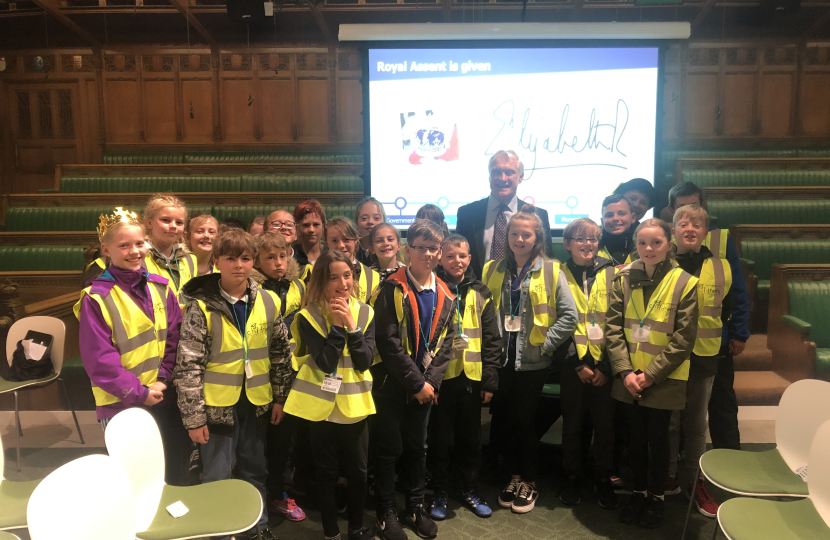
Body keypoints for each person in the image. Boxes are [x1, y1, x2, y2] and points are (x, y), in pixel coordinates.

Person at [174, 228, 291, 540]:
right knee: (216, 473)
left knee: (256, 469)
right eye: (230, 258)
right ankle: (218, 531)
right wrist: (194, 417)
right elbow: (188, 366)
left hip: (257, 402)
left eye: (246, 258)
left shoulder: (267, 301)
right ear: (216, 261)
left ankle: (257, 526)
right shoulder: (200, 306)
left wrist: (280, 397)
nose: (239, 264)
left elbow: (281, 353)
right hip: (215, 408)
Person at [74, 208, 188, 484]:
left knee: (172, 469)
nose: (134, 251)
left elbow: (174, 338)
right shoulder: (96, 298)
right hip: (121, 402)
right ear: (106, 249)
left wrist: (162, 380)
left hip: (163, 396)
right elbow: (100, 360)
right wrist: (140, 393)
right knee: (132, 477)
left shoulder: (161, 287)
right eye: (123, 245)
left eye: (139, 243)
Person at [482, 206, 577, 514]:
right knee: (506, 421)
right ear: (506, 236)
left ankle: (529, 481)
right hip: (501, 361)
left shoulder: (551, 270)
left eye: (526, 234)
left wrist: (545, 345)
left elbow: (569, 316)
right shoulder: (493, 269)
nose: (519, 239)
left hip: (532, 362)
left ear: (537, 238)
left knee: (524, 422)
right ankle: (513, 476)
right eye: (514, 233)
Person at [605, 218, 699, 529]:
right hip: (629, 378)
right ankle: (639, 492)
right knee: (635, 438)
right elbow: (613, 329)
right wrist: (626, 372)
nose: (649, 248)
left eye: (656, 243)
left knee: (659, 441)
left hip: (663, 379)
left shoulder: (685, 282)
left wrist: (650, 375)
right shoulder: (622, 279)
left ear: (669, 245)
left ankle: (657, 497)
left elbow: (684, 339)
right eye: (643, 243)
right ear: (635, 245)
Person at [280, 250, 377, 540]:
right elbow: (325, 362)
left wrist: (352, 326)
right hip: (320, 408)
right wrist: (336, 326)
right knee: (325, 474)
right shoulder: (307, 316)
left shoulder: (365, 312)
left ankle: (356, 528)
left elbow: (365, 360)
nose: (342, 283)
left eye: (347, 275)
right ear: (321, 281)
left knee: (358, 474)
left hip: (355, 406)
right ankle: (331, 532)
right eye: (333, 277)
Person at [371, 219, 457, 540]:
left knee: (418, 448)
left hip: (425, 388)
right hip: (392, 385)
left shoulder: (447, 294)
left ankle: (415, 506)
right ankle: (385, 511)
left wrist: (430, 383)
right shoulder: (391, 288)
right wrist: (417, 383)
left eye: (434, 248)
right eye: (421, 247)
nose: (428, 253)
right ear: (408, 251)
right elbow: (388, 342)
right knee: (388, 448)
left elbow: (447, 343)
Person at [667, 205, 741, 518]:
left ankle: (694, 481)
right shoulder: (662, 262)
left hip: (705, 356)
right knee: (669, 423)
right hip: (667, 357)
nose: (690, 229)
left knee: (697, 426)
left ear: (704, 231)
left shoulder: (721, 266)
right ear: (674, 231)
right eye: (683, 224)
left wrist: (738, 335)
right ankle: (668, 475)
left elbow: (735, 304)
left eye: (697, 225)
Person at [666, 182, 749, 451]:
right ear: (671, 213)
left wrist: (738, 331)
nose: (690, 216)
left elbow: (736, 288)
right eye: (682, 209)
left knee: (721, 404)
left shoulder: (722, 240)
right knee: (675, 416)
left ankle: (729, 461)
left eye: (696, 206)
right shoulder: (663, 247)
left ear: (705, 209)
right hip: (672, 345)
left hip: (714, 341)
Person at [427, 234, 501, 521]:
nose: (456, 261)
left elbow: (493, 340)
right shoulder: (432, 289)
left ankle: (470, 488)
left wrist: (490, 380)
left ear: (469, 259)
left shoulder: (481, 292)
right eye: (450, 256)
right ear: (440, 259)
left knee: (470, 439)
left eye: (462, 256)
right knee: (439, 439)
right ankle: (440, 491)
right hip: (440, 380)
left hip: (471, 380)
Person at [556, 218, 618, 510]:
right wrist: (578, 364)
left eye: (592, 239)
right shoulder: (556, 274)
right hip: (573, 366)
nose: (587, 245)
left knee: (605, 427)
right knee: (573, 425)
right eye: (579, 239)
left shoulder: (614, 272)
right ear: (567, 244)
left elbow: (620, 321)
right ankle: (572, 476)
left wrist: (606, 367)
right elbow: (553, 322)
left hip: (606, 366)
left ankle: (603, 479)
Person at [251, 231, 308, 522]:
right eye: (270, 257)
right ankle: (261, 495)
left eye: (282, 256)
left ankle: (282, 493)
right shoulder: (252, 290)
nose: (278, 262)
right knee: (263, 441)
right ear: (257, 262)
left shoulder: (299, 286)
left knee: (287, 440)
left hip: (296, 373)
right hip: (264, 376)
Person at [456, 150, 554, 278]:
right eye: (496, 172)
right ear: (489, 176)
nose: (502, 178)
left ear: (520, 177)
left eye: (509, 172)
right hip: (476, 292)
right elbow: (457, 255)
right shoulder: (467, 214)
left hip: (522, 293)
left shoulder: (538, 215)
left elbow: (546, 259)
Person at [142, 194, 197, 304]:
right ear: (149, 223)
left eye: (179, 222)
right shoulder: (139, 258)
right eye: (166, 220)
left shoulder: (190, 259)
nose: (173, 226)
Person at [325, 216, 380, 304]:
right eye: (334, 240)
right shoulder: (319, 272)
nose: (341, 245)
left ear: (356, 240)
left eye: (346, 239)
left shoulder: (373, 276)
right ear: (327, 242)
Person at [267, 208, 312, 283]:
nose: (284, 227)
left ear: (296, 235)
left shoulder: (307, 269)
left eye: (289, 225)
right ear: (265, 232)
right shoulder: (253, 265)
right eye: (276, 224)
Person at [597, 194, 638, 267]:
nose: (615, 218)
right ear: (602, 222)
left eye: (621, 214)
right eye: (609, 215)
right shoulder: (594, 248)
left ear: (633, 218)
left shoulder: (644, 246)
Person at [355, 197, 387, 266]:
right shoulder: (351, 248)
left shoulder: (389, 248)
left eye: (376, 218)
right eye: (364, 218)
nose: (370, 222)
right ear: (356, 222)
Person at [294, 199, 326, 266]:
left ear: (323, 226)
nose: (311, 230)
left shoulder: (330, 256)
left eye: (316, 225)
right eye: (306, 225)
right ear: (297, 227)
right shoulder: (291, 256)